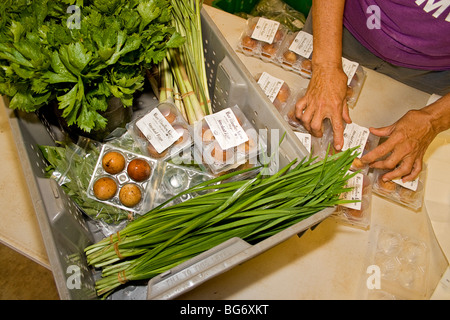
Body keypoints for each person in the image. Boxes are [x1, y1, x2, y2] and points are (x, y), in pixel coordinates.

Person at [295, 0, 450, 182]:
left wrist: (433, 120)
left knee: (384, 155)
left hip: (430, 72)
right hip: (343, 28)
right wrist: (326, 65)